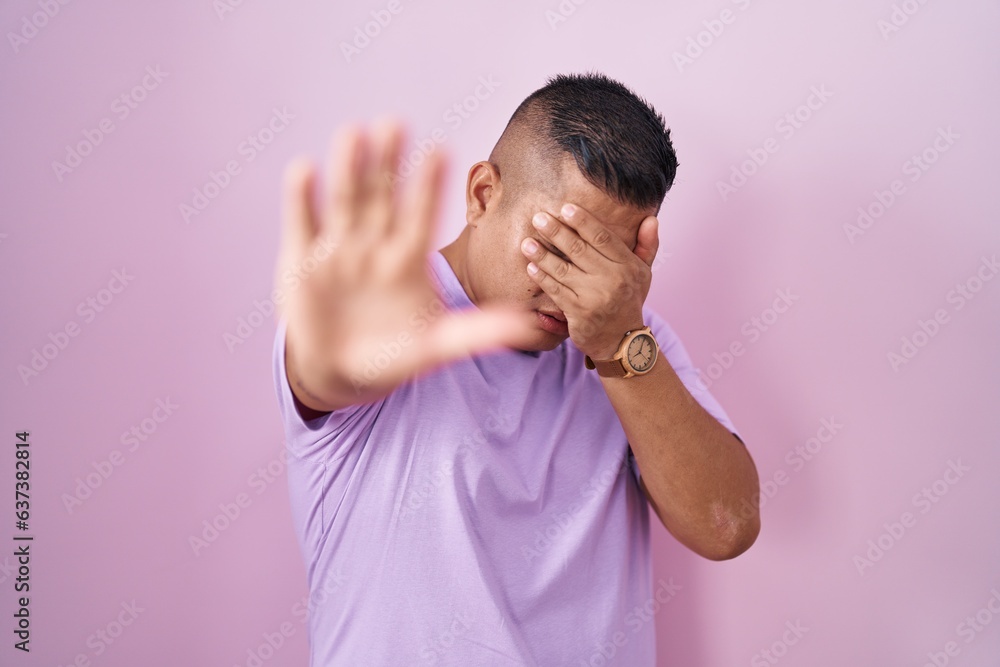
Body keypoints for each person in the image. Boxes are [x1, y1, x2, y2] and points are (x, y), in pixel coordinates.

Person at [271, 72, 760, 666]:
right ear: (482, 194)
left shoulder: (634, 341)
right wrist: (340, 352)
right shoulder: (380, 318)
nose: (575, 290)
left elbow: (726, 526)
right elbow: (327, 372)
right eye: (559, 248)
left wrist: (619, 346)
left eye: (610, 261)